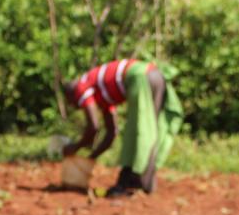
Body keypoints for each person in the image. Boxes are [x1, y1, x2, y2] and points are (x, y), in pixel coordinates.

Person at [62, 57, 183, 197]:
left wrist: (75, 147)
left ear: (70, 95)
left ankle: (129, 183)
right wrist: (91, 157)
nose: (73, 105)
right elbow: (111, 132)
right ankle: (146, 183)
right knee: (151, 130)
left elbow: (93, 127)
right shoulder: (104, 94)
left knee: (139, 130)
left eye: (70, 102)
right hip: (154, 75)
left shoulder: (80, 87)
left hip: (140, 77)